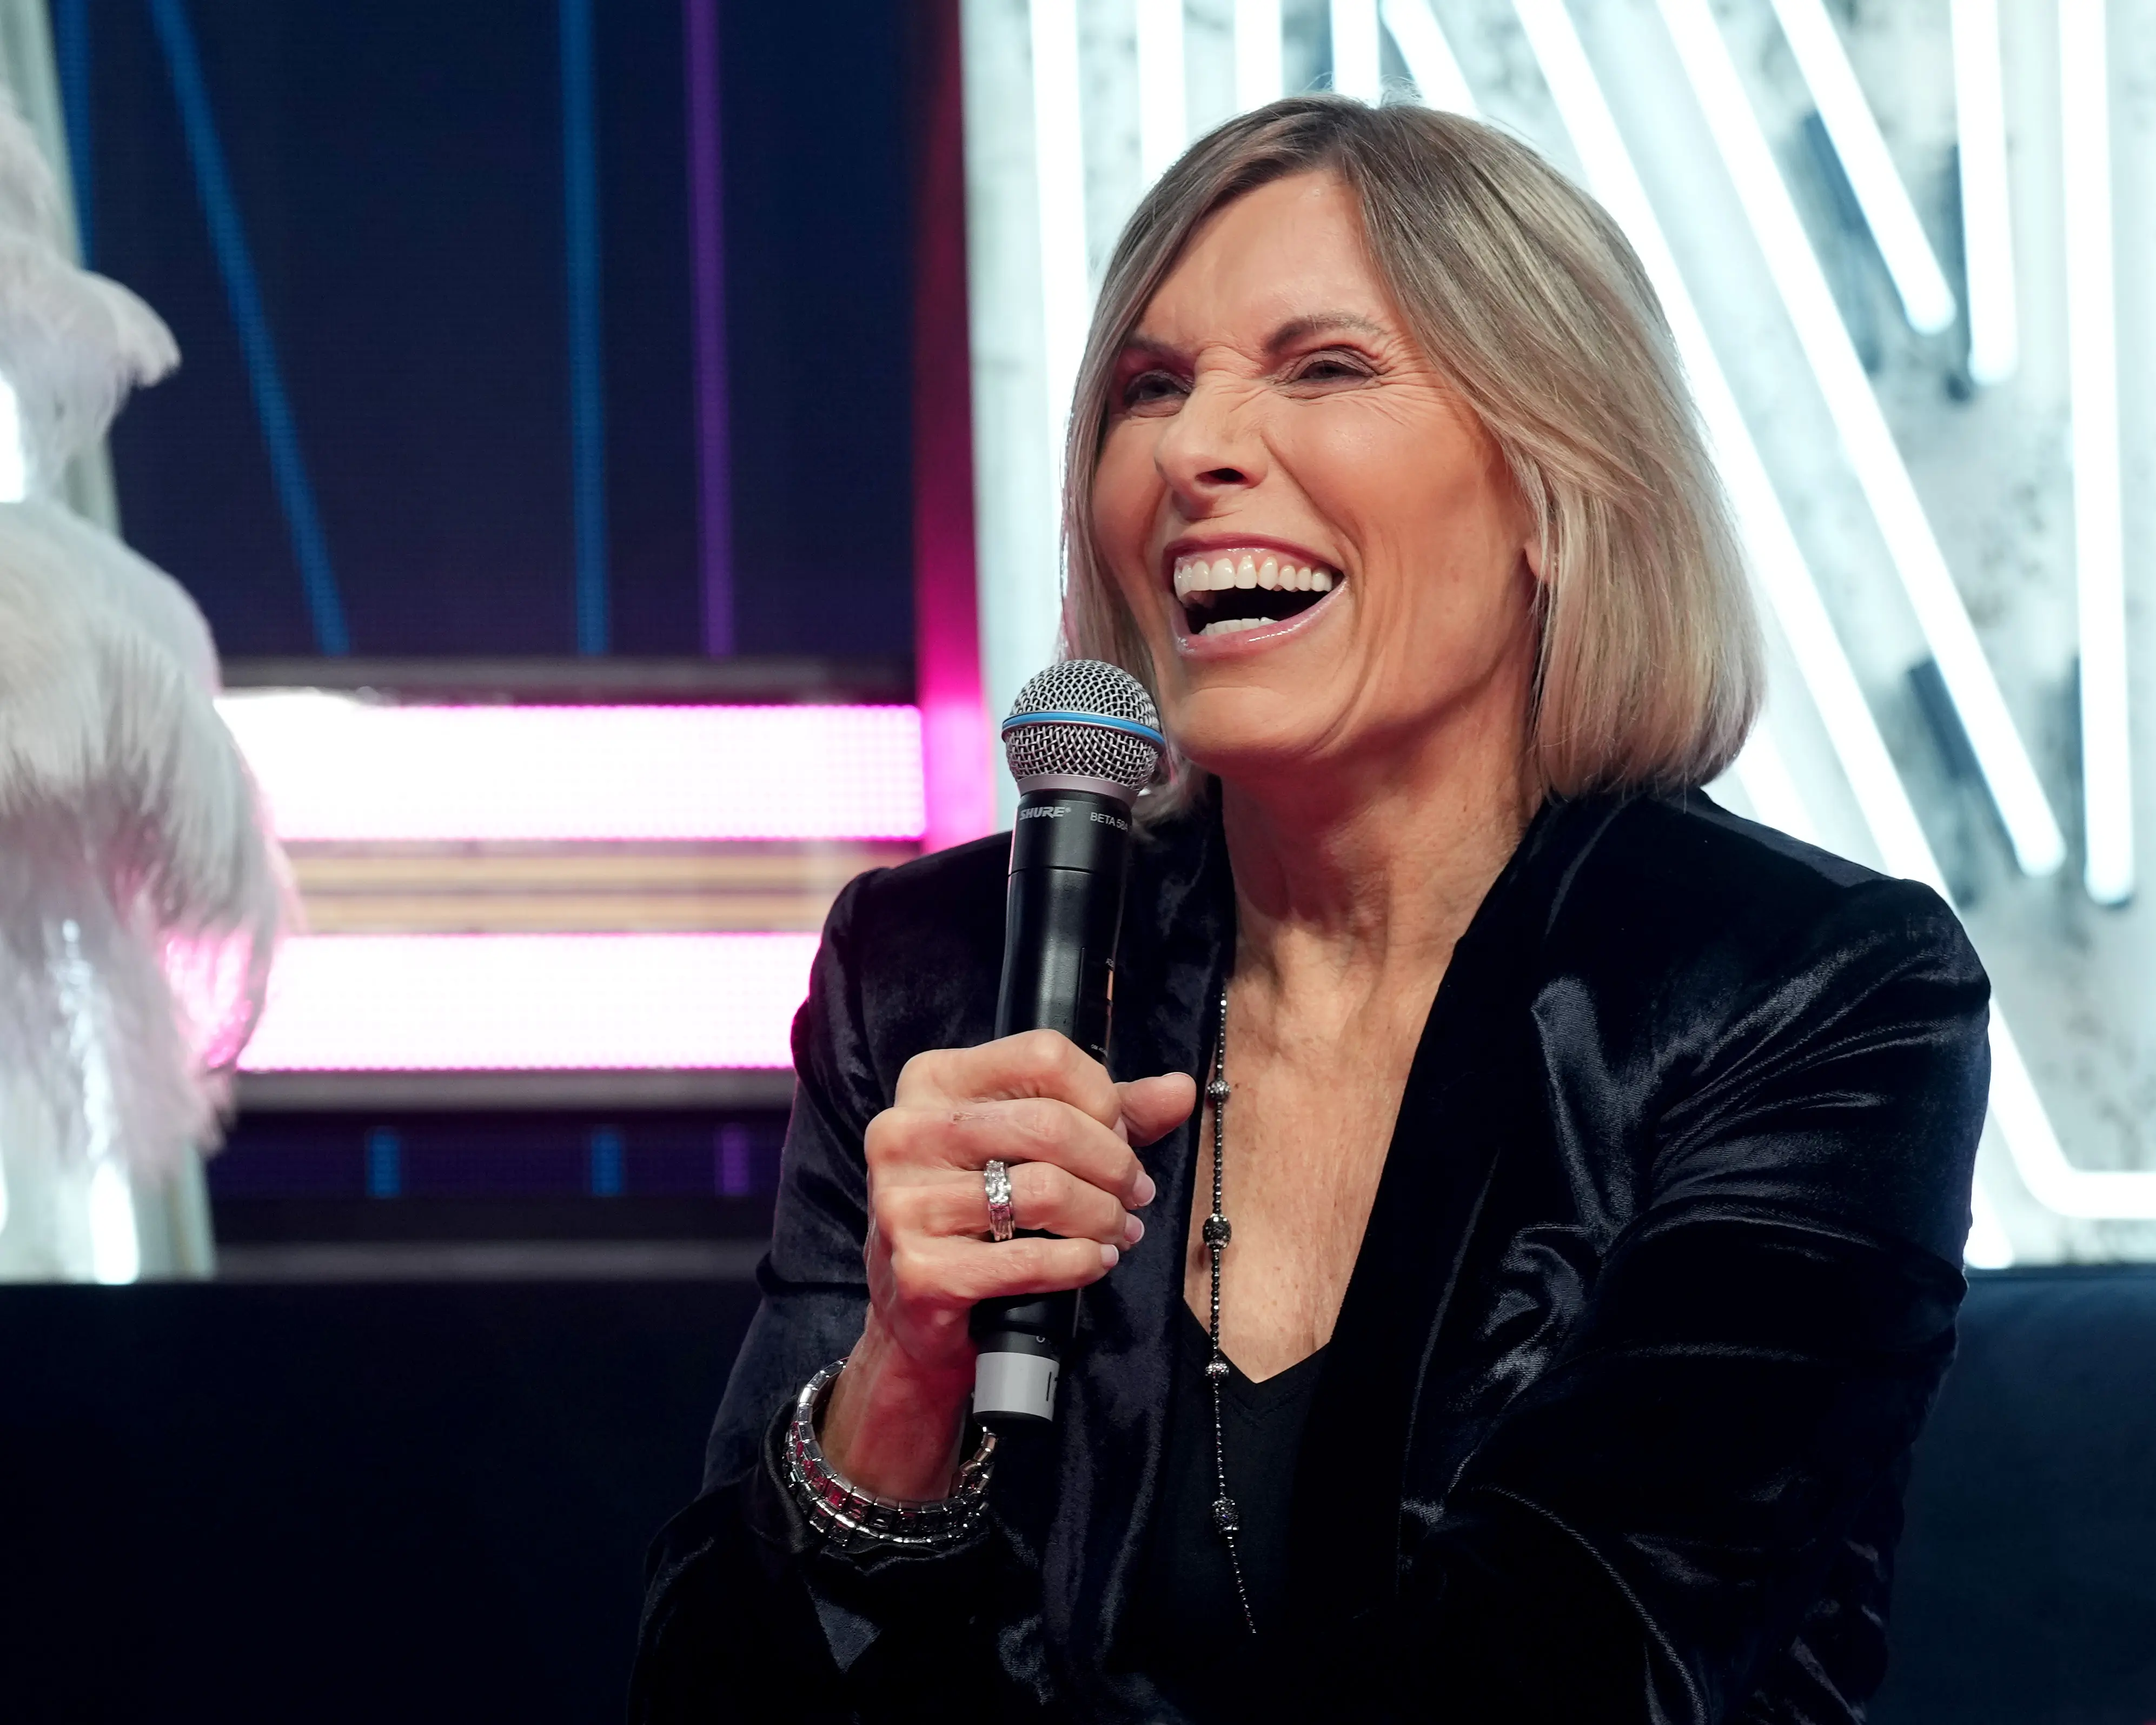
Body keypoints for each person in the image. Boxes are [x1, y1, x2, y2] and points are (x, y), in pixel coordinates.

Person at [633, 95, 1987, 1724]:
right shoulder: (933, 981)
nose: (1192, 450)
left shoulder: (1803, 993)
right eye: (1150, 387)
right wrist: (896, 1398)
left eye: (1325, 367)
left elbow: (1583, 1667)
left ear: (1552, 484)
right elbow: (706, 1697)